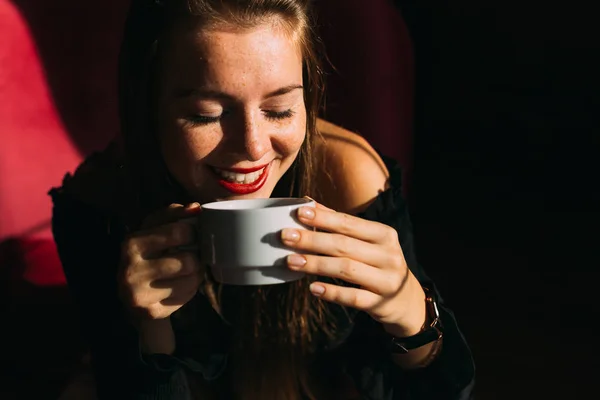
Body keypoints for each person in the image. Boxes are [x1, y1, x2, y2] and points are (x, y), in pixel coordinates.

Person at [50, 0, 475, 399]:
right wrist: (150, 336)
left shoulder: (347, 180)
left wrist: (412, 314)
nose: (253, 148)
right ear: (148, 108)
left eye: (280, 110)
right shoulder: (100, 207)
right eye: (207, 115)